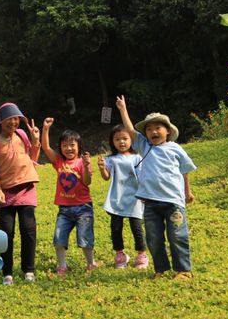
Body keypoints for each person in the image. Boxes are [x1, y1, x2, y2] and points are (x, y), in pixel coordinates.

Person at [116, 96, 197, 279]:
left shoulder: (175, 149)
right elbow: (130, 130)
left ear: (167, 131)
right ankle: (161, 269)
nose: (153, 131)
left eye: (157, 128)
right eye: (149, 129)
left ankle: (184, 270)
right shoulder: (145, 147)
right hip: (151, 203)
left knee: (177, 236)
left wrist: (188, 191)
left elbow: (185, 171)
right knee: (154, 238)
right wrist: (123, 109)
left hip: (174, 202)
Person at [0, 102, 41, 284]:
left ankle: (29, 270)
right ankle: (7, 272)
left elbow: (33, 157)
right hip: (6, 193)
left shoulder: (22, 134)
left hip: (26, 188)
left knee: (28, 230)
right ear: (0, 121)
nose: (13, 122)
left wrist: (35, 140)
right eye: (9, 119)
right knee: (6, 232)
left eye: (16, 118)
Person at [41, 118, 97, 275]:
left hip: (83, 208)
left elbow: (87, 181)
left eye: (72, 145)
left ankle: (91, 263)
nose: (68, 148)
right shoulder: (59, 162)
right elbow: (45, 147)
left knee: (85, 238)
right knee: (59, 238)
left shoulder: (82, 163)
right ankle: (62, 266)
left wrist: (86, 167)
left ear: (79, 147)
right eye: (64, 145)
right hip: (64, 209)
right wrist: (46, 129)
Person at [97, 125, 148, 269]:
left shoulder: (138, 158)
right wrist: (102, 168)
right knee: (115, 228)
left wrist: (145, 193)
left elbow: (143, 177)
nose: (122, 142)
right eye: (117, 139)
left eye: (125, 138)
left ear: (131, 140)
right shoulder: (111, 159)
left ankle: (141, 255)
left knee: (137, 228)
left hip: (135, 198)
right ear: (112, 142)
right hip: (117, 198)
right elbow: (106, 177)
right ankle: (120, 254)